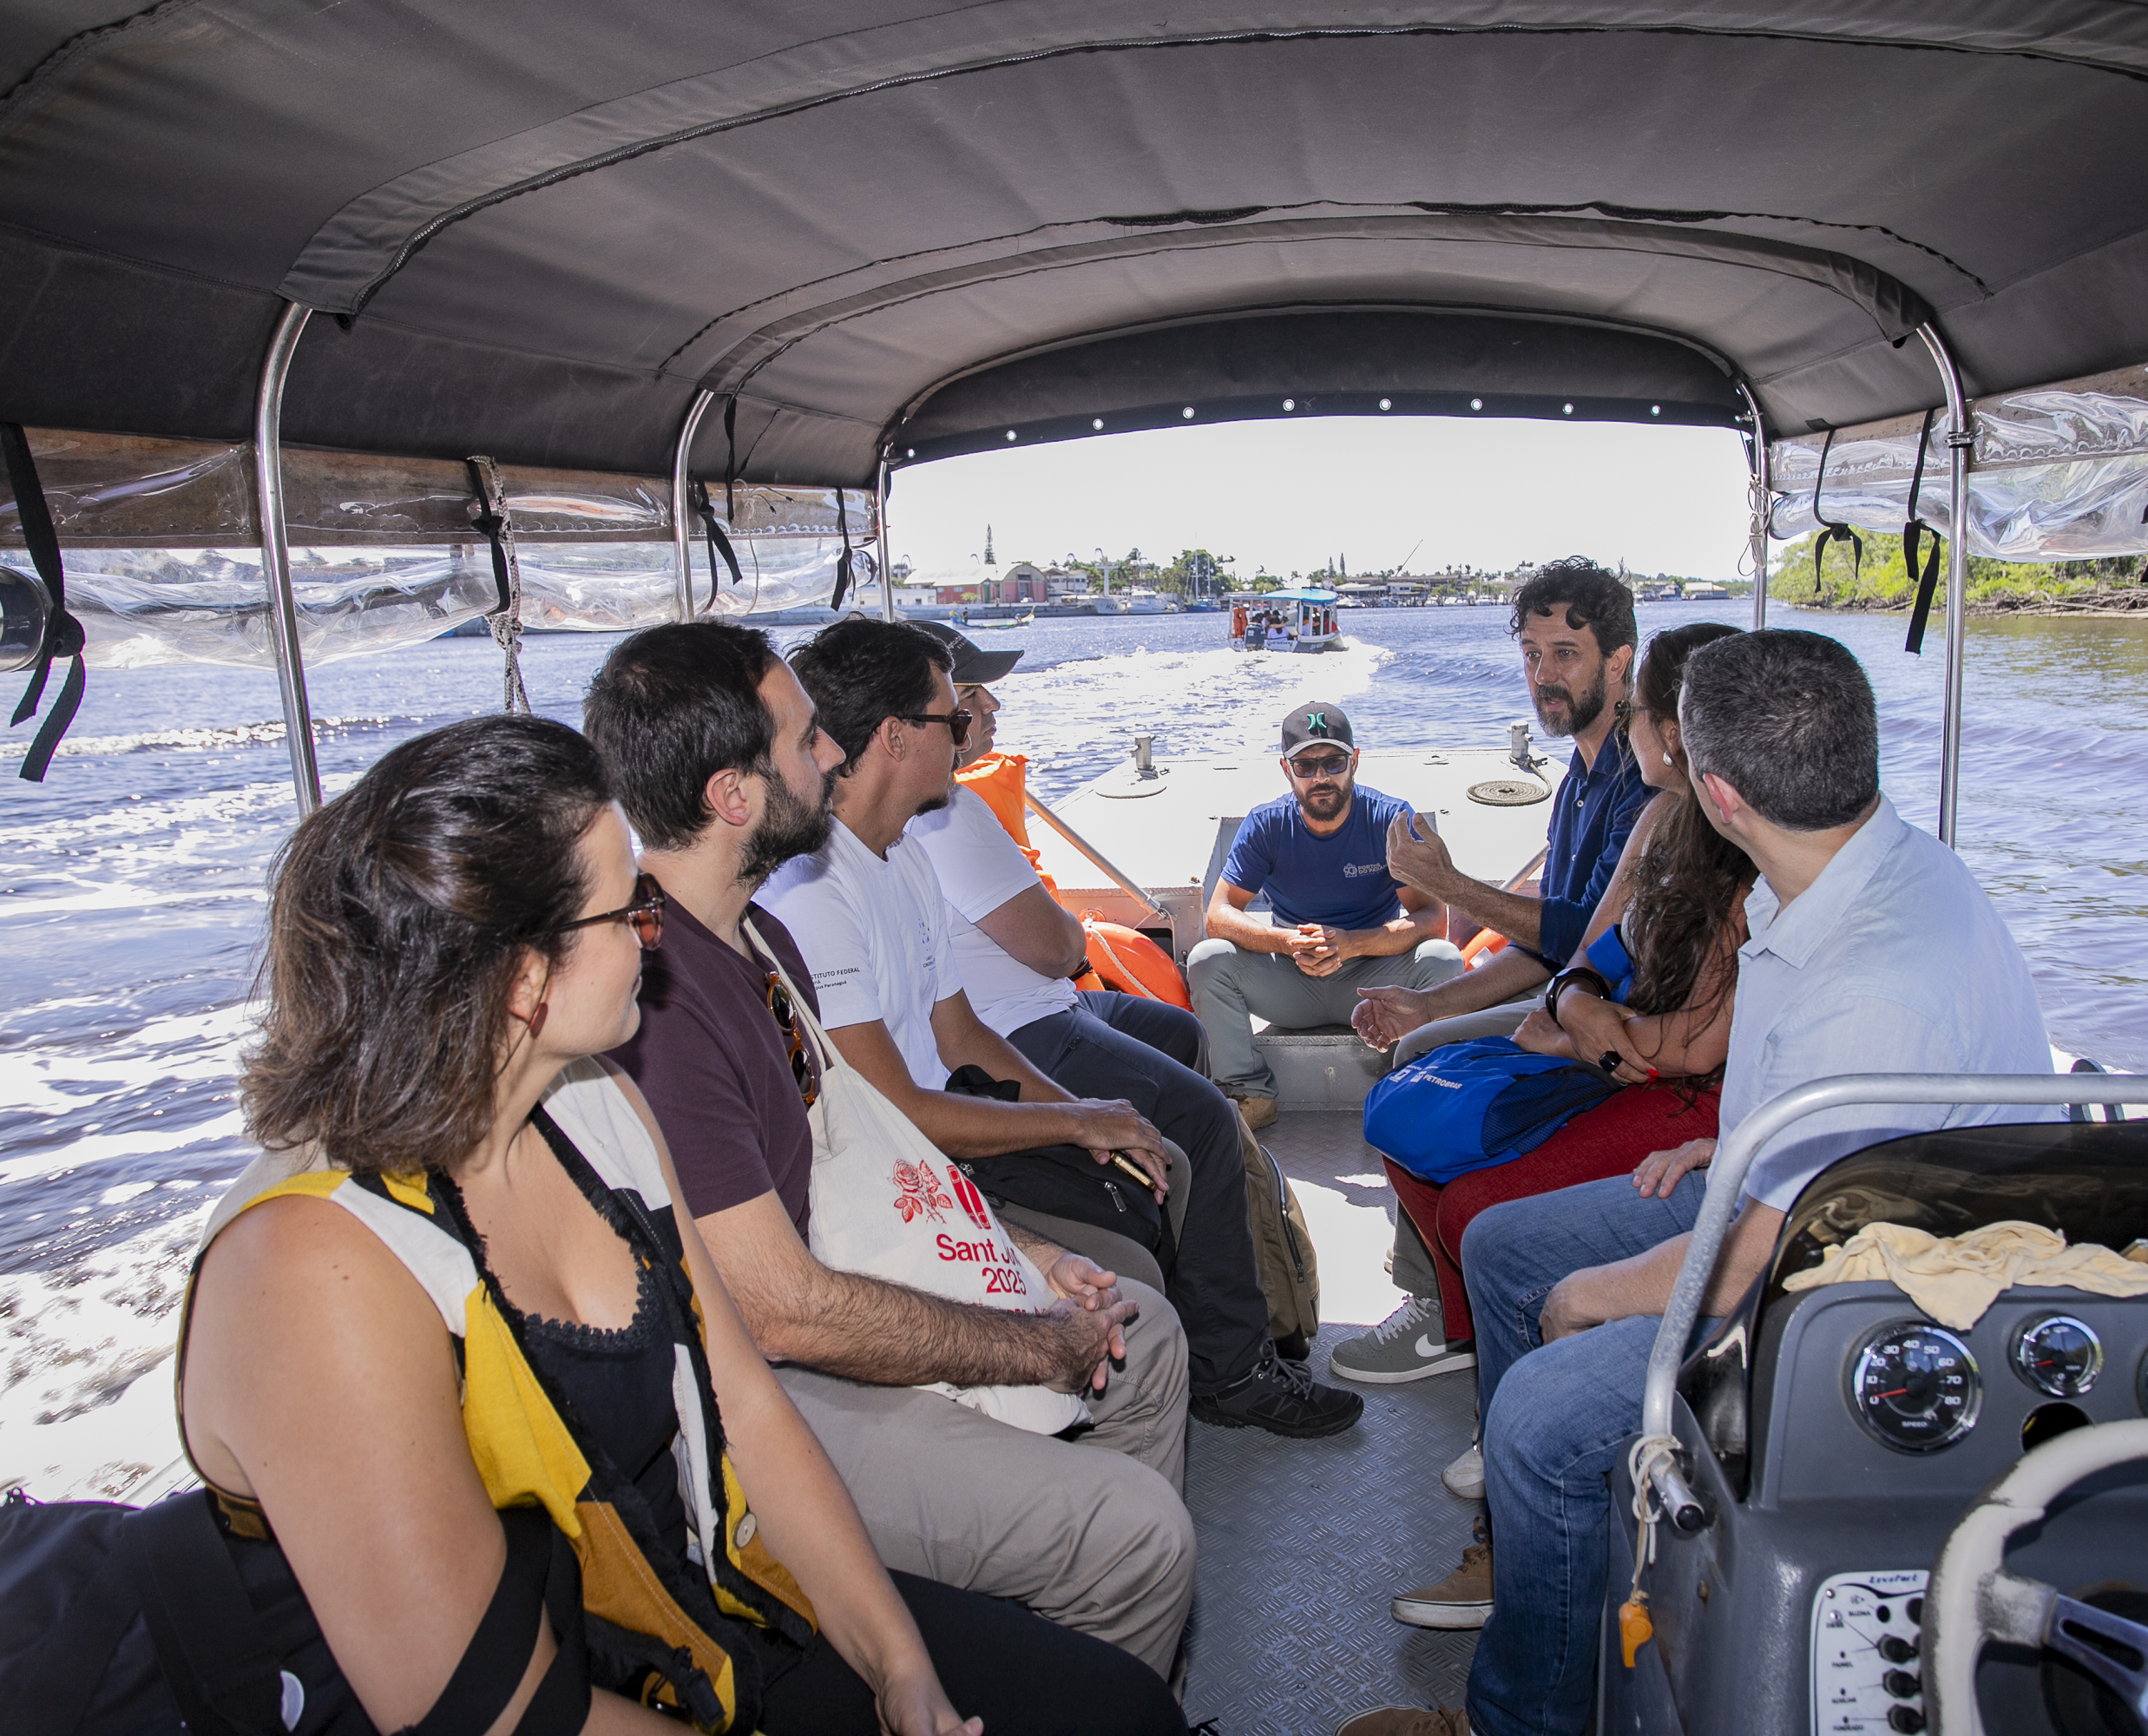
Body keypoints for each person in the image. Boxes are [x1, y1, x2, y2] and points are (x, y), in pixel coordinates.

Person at [182, 714, 1184, 1736]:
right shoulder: (311, 1270)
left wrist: (900, 1668)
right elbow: (498, 1712)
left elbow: (742, 1404)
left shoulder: (597, 1105)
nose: (653, 936)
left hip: (707, 1602)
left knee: (1123, 1709)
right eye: (631, 910)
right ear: (524, 978)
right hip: (572, 1688)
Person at [1339, 629, 2054, 1736]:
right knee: (1500, 1245)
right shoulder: (1852, 881)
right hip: (1801, 1199)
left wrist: (1591, 1298)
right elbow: (1846, 1130)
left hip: (1855, 1305)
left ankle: (1523, 1715)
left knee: (1538, 1409)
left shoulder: (1871, 984)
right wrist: (1732, 1140)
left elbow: (1755, 1261)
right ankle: (1562, 1566)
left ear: (1716, 793)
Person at [582, 623, 1199, 1675]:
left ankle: (1072, 1667)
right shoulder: (664, 1011)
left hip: (830, 1283)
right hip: (750, 1394)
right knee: (1139, 1534)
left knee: (1143, 1335)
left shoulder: (758, 943)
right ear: (733, 796)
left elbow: (862, 1151)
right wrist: (1029, 1341)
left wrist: (1028, 1256)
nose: (831, 752)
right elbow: (779, 1310)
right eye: (803, 738)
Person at [763, 619, 1357, 1437]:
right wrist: (1076, 1122)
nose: (969, 733)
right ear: (897, 738)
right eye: (953, 719)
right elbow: (892, 1108)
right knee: (1138, 1245)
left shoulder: (900, 856)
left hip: (951, 1120)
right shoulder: (812, 890)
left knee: (1163, 1161)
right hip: (899, 1166)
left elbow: (962, 1036)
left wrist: (1090, 1116)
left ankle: (1218, 1365)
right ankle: (1185, 1391)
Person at [903, 624, 1310, 1417]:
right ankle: (1232, 1372)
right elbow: (1057, 949)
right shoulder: (951, 814)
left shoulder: (937, 808)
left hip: (1033, 1003)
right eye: (969, 697)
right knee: (1201, 1116)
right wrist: (1059, 930)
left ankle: (1199, 1263)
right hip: (1018, 1023)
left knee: (1179, 1033)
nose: (990, 710)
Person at [1380, 621, 1752, 1358]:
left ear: (1671, 732)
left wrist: (1575, 1036)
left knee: (1472, 1208)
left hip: (1682, 1085)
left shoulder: (1738, 852)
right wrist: (1575, 1004)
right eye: (1531, 654)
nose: (1542, 672)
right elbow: (1582, 949)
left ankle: (1521, 1363)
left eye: (1637, 709)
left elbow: (1692, 1046)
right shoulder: (1655, 815)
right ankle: (1465, 1327)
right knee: (1406, 1115)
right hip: (1615, 1038)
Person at [1332, 560, 1653, 1387]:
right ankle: (1443, 1301)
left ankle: (1443, 1318)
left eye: (1565, 655)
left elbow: (1591, 934)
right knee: (1416, 1049)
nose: (1543, 677)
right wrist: (1429, 1003)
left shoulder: (1642, 781)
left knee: (1425, 1072)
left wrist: (1450, 887)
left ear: (1620, 660)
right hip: (1571, 998)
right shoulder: (1579, 778)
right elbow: (1549, 947)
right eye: (1532, 656)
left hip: (1621, 1026)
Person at [1185, 700, 1464, 1128]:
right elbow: (1218, 914)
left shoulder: (1391, 819)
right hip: (1292, 981)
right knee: (1207, 959)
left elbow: (1432, 917)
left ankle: (1421, 1088)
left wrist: (1353, 944)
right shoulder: (1266, 824)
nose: (1321, 777)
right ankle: (1247, 1094)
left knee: (1443, 959)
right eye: (1305, 765)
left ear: (1355, 761)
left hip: (1375, 982)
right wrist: (1286, 942)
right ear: (1286, 769)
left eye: (1333, 763)